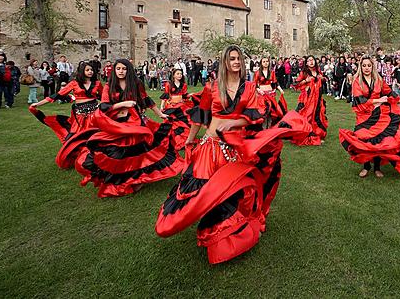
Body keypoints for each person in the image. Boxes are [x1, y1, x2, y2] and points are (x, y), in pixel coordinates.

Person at [155, 45, 311, 264]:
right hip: (210, 146)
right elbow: (201, 116)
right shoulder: (212, 87)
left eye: (239, 58)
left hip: (234, 148)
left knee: (230, 193)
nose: (236, 62)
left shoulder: (248, 88)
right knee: (204, 190)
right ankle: (200, 224)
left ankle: (222, 233)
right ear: (225, 62)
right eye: (232, 59)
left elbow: (253, 116)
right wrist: (190, 138)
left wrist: (232, 122)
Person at [73, 59, 183, 196]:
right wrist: (123, 104)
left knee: (138, 151)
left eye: (124, 69)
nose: (120, 71)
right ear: (114, 70)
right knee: (116, 151)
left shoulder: (136, 83)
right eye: (118, 68)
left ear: (128, 70)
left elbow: (146, 100)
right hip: (116, 124)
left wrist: (160, 114)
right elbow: (104, 106)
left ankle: (138, 179)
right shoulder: (109, 85)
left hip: (135, 121)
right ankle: (119, 178)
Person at [338, 55, 400, 178]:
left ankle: (377, 168)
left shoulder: (378, 79)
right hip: (364, 116)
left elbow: (388, 91)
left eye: (369, 65)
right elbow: (359, 99)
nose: (366, 68)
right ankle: (366, 167)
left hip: (379, 115)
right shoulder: (357, 81)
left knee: (378, 141)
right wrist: (377, 100)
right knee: (363, 139)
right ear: (360, 67)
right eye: (364, 65)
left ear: (372, 66)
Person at [29, 61, 104, 169]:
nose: (90, 72)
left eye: (91, 70)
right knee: (75, 137)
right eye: (87, 70)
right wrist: (39, 103)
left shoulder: (97, 83)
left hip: (95, 114)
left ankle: (98, 158)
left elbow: (104, 98)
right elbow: (57, 95)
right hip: (79, 116)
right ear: (82, 71)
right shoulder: (74, 83)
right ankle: (79, 157)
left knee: (96, 135)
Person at [292, 55, 329, 145]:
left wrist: (323, 78)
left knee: (317, 116)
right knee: (307, 116)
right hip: (307, 99)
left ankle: (316, 134)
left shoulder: (318, 71)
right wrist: (306, 80)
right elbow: (296, 85)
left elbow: (324, 80)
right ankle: (305, 134)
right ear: (306, 63)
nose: (311, 62)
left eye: (312, 60)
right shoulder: (304, 73)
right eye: (309, 60)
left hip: (318, 99)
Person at [253, 56, 287, 129]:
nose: (266, 63)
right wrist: (259, 90)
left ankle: (270, 127)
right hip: (262, 94)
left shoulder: (272, 72)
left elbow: (275, 82)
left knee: (271, 111)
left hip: (271, 94)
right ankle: (263, 127)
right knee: (264, 110)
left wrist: (280, 89)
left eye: (267, 61)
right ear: (261, 63)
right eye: (264, 62)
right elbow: (254, 84)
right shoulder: (257, 73)